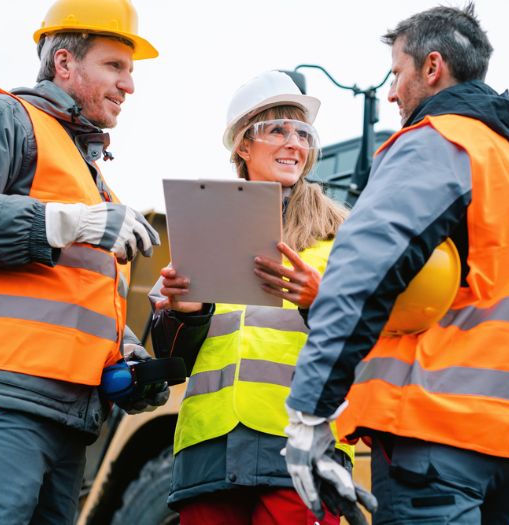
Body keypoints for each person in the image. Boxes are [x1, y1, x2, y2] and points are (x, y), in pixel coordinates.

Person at [283, 4, 509, 525]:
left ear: (431, 67)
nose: (391, 93)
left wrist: (309, 412)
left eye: (397, 73)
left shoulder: (437, 143)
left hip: (433, 435)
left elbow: (362, 275)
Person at [0, 0, 167, 523]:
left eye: (130, 71)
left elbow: (74, 298)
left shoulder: (95, 183)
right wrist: (69, 222)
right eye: (115, 66)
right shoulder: (3, 116)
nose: (129, 85)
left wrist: (128, 356)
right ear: (65, 63)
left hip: (66, 414)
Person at [150, 70, 374, 525]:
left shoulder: (344, 235)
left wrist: (318, 301)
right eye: (277, 129)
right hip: (209, 454)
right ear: (242, 145)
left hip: (303, 453)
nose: (294, 143)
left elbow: (374, 347)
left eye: (303, 133)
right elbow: (171, 361)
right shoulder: (202, 229)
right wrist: (186, 314)